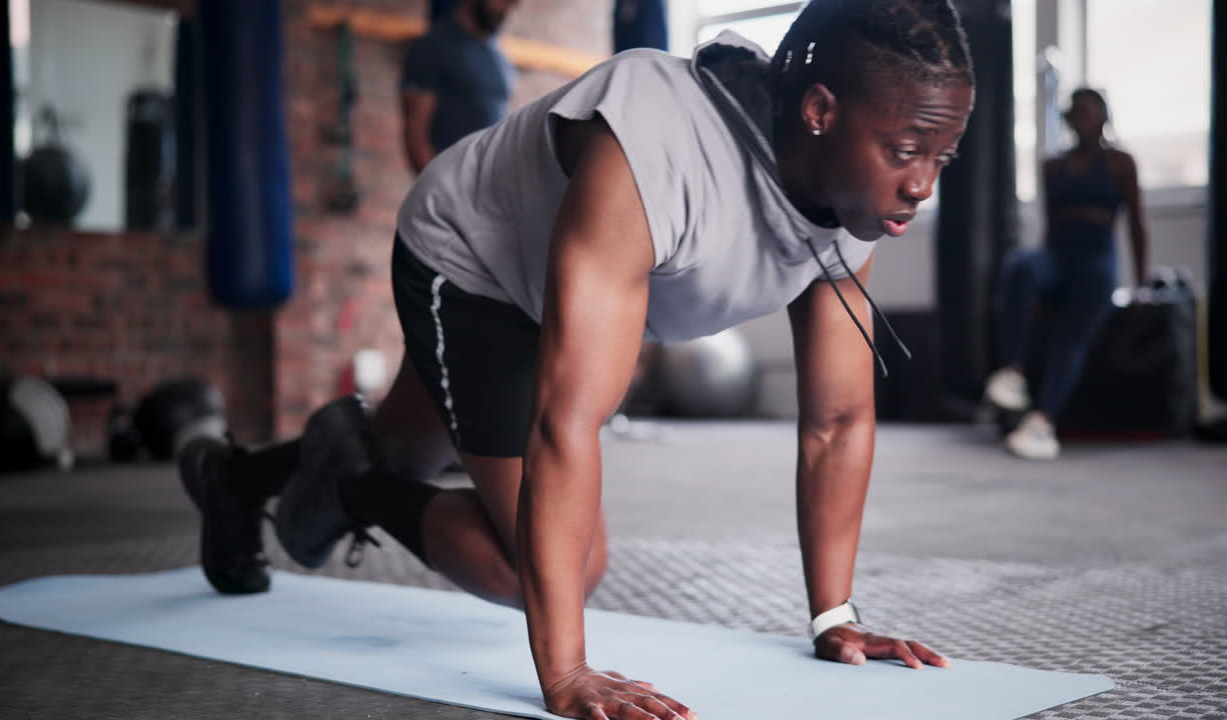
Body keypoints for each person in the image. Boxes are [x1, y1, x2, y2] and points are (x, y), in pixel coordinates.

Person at [179, 1, 974, 718]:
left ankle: (239, 479)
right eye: (908, 151)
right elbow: (568, 421)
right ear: (820, 110)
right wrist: (565, 672)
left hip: (547, 280)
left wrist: (835, 619)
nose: (922, 187)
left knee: (406, 450)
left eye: (942, 158)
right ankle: (350, 484)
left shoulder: (852, 203)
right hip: (475, 266)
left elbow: (836, 420)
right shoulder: (658, 151)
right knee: (552, 566)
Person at [985, 88, 1149, 460]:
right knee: (1021, 265)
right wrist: (1039, 287)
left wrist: (1140, 284)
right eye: (1074, 111)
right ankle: (1013, 373)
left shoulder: (1121, 163)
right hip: (1057, 255)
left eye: (1088, 110)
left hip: (1096, 262)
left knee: (1070, 334)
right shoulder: (1052, 166)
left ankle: (1042, 421)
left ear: (1103, 117)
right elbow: (1049, 224)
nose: (1080, 117)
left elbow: (1137, 225)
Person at [401, 0, 518, 174]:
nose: (506, 9)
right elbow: (416, 135)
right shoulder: (434, 45)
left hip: (483, 190)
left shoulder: (500, 59)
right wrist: (441, 190)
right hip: (447, 188)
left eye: (513, 3)